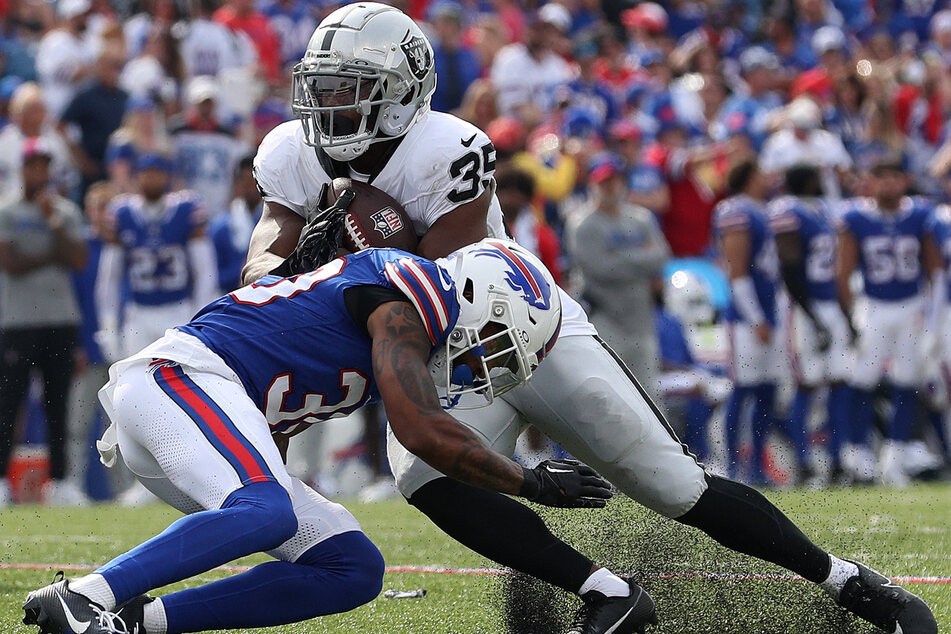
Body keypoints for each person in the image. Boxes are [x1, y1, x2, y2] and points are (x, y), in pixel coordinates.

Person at [243, 6, 938, 634]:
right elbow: (263, 264)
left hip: (518, 330)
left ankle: (847, 582)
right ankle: (608, 594)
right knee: (425, 476)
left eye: (350, 87)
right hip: (433, 356)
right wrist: (289, 267)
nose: (330, 104)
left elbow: (425, 280)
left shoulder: (451, 148)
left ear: (403, 91)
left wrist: (356, 244)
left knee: (675, 487)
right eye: (324, 85)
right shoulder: (288, 153)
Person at [22, 240, 613, 634]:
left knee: (350, 566)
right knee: (268, 510)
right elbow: (421, 431)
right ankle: (86, 595)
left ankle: (137, 621)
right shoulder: (410, 299)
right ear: (481, 303)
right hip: (178, 379)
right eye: (495, 342)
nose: (485, 363)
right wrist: (529, 479)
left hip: (200, 405)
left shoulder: (410, 319)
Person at [835, 157, 943, 486]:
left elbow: (934, 269)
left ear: (906, 179)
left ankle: (894, 458)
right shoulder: (855, 217)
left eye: (894, 177)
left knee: (907, 381)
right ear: (871, 179)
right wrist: (852, 315)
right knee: (862, 380)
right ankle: (858, 454)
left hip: (911, 305)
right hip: (873, 305)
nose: (888, 184)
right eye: (881, 177)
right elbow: (843, 272)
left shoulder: (921, 215)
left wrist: (932, 313)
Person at [0, 138, 87, 507]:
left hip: (60, 319)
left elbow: (79, 259)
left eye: (44, 166)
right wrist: (53, 254)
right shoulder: (6, 210)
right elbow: (11, 265)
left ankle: (62, 480)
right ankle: (3, 481)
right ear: (22, 169)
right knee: (9, 403)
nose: (40, 172)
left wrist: (52, 225)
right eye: (33, 165)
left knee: (59, 402)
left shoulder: (63, 211)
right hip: (17, 321)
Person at [768, 165, 854, 484]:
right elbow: (790, 271)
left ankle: (837, 460)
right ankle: (803, 462)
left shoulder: (820, 209)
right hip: (803, 308)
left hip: (830, 302)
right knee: (806, 383)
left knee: (839, 382)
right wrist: (814, 317)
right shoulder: (787, 210)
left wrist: (843, 315)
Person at [95, 152, 217, 364]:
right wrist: (108, 327)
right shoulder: (121, 213)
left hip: (178, 310)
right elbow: (109, 277)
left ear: (167, 176)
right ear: (136, 177)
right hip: (139, 314)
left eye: (156, 173)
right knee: (134, 379)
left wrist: (199, 318)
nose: (151, 179)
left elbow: (205, 270)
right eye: (146, 174)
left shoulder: (186, 209)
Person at [568, 152, 670, 398]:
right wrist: (639, 259)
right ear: (593, 184)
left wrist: (621, 257)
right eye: (603, 181)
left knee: (649, 396)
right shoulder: (583, 223)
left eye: (613, 180)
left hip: (641, 320)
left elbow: (661, 256)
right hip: (604, 318)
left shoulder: (640, 218)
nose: (610, 187)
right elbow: (601, 268)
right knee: (611, 396)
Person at [713, 160, 782, 485]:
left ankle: (757, 463)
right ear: (751, 176)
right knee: (743, 390)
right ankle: (732, 466)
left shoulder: (762, 209)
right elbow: (736, 271)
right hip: (746, 318)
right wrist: (756, 318)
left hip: (769, 313)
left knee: (767, 391)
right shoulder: (736, 210)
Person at [209, 154, 261, 293]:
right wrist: (244, 272)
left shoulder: (276, 222)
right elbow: (213, 276)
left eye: (254, 181)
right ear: (236, 183)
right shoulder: (220, 227)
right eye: (244, 181)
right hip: (232, 299)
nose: (249, 187)